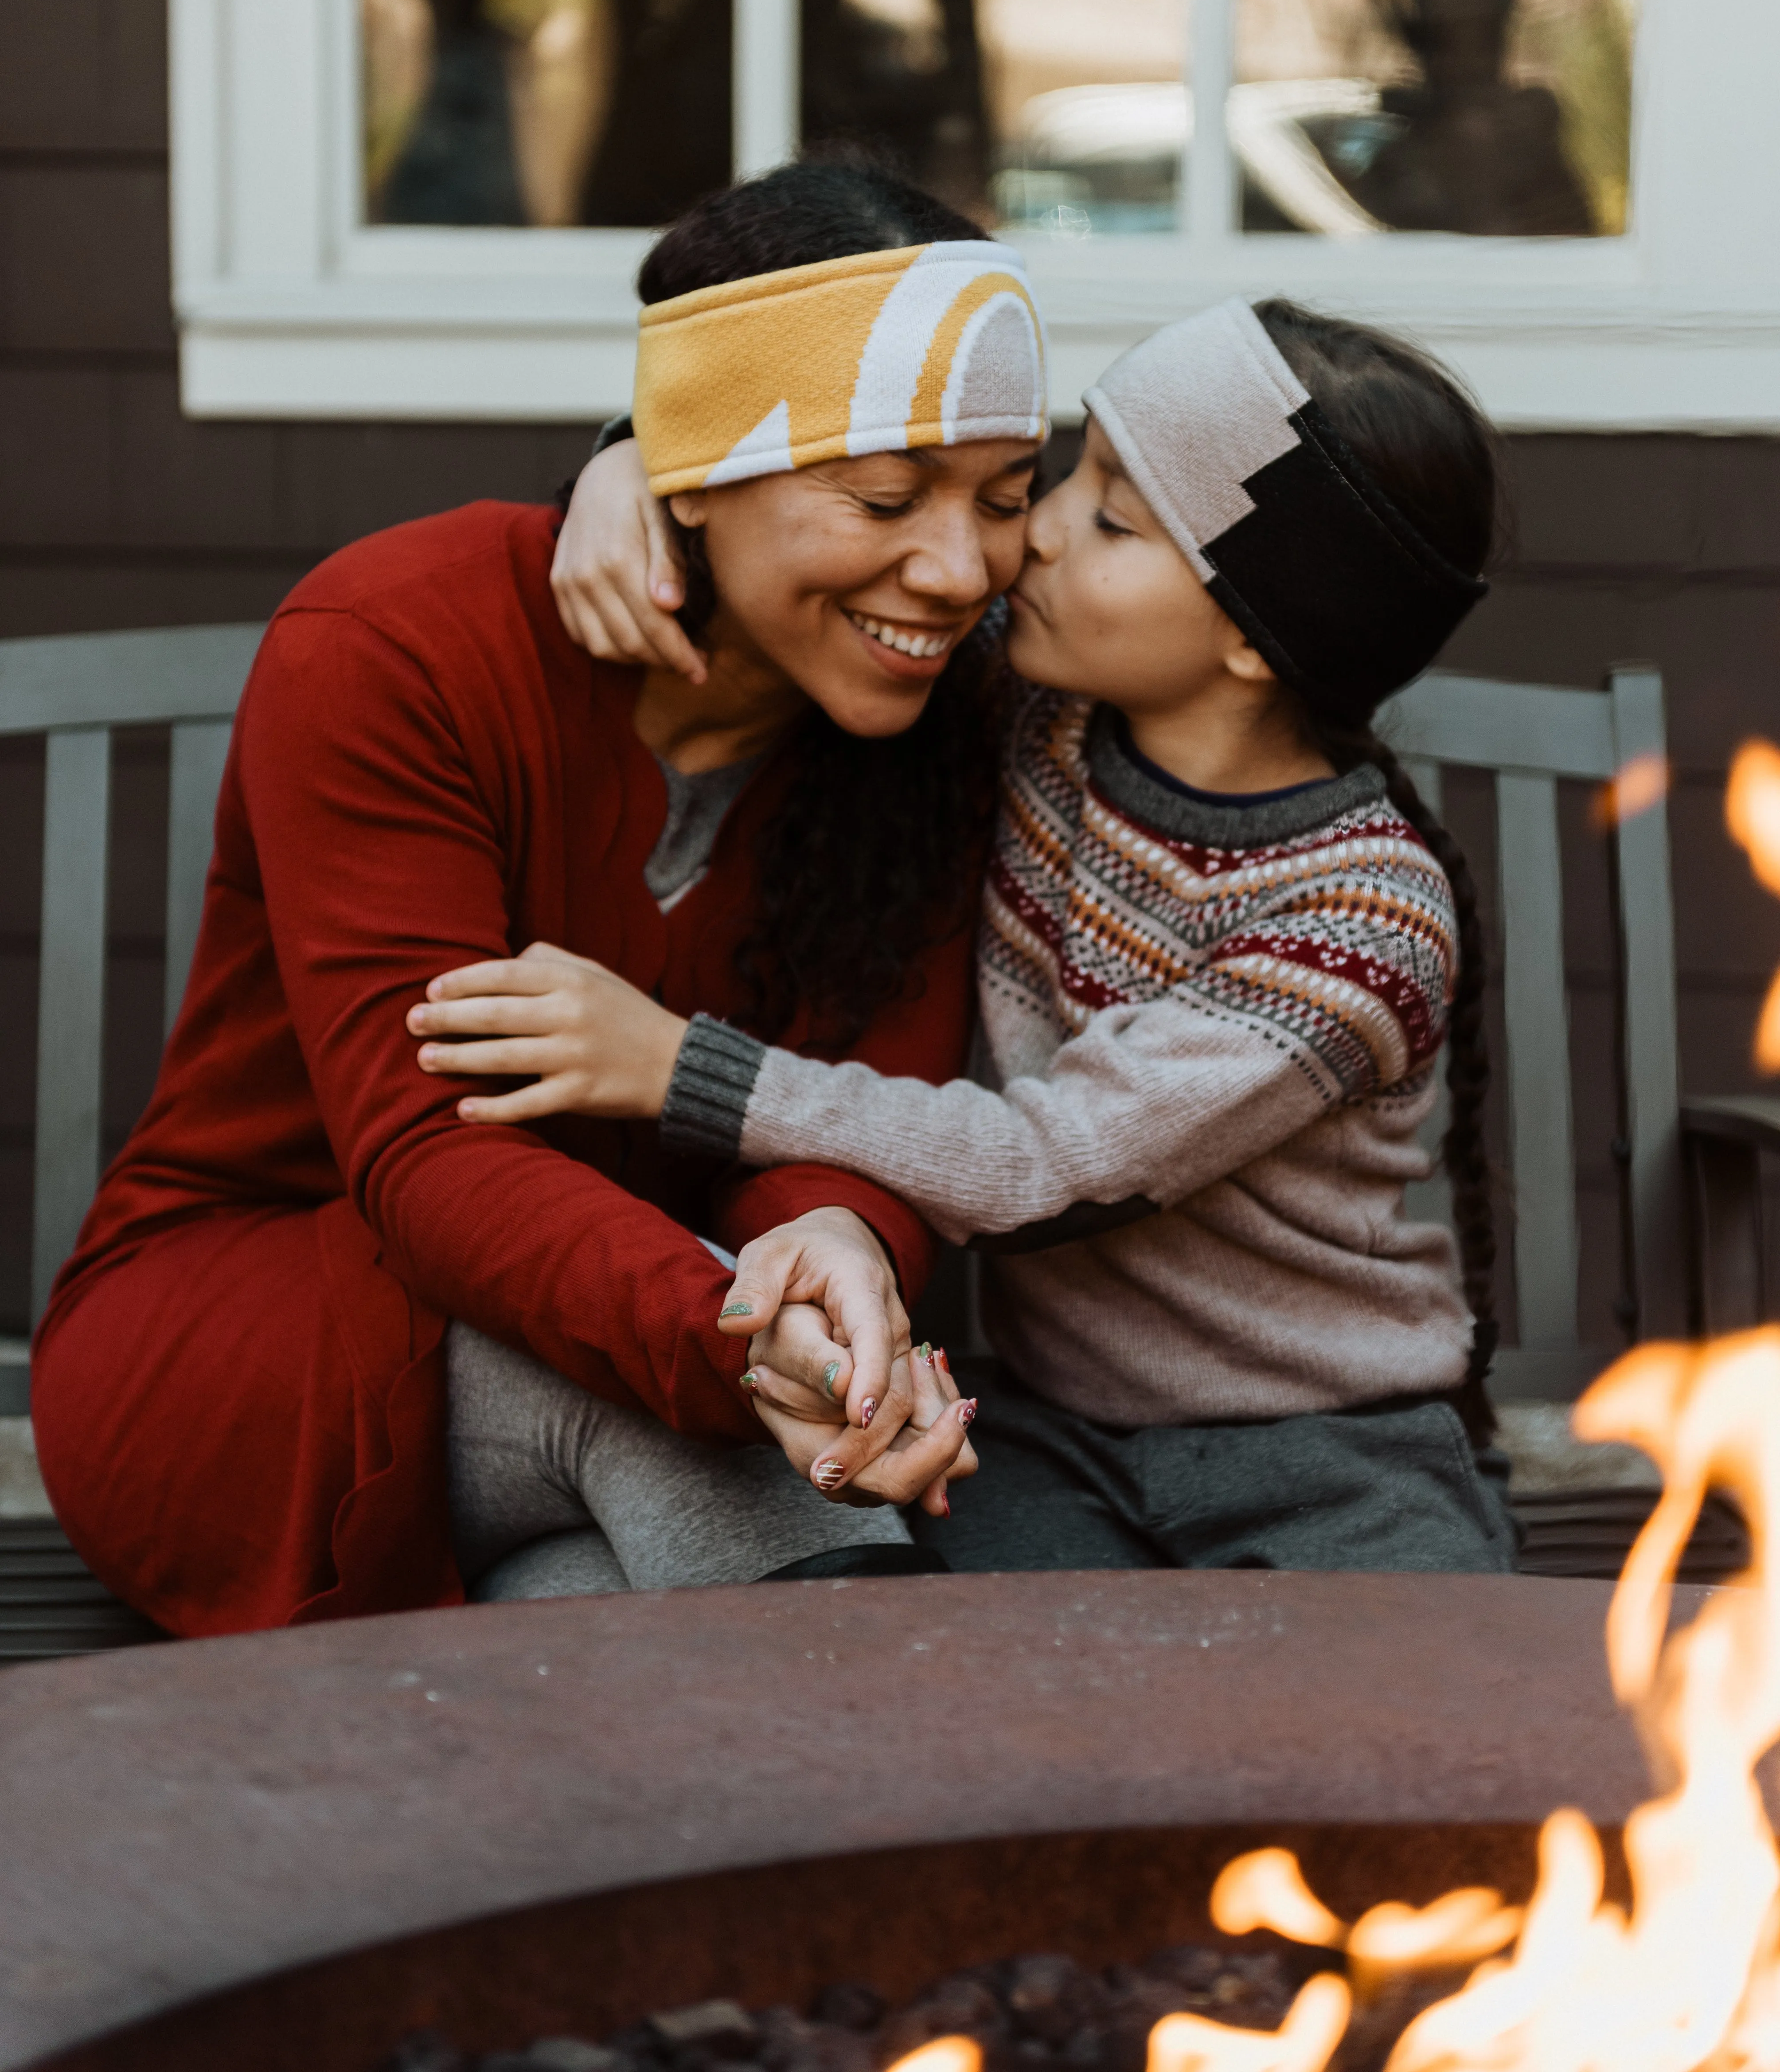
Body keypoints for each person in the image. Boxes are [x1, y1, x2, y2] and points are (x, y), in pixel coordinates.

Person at [31, 157, 1045, 1634]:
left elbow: (861, 1102)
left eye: (1006, 498)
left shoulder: (940, 724)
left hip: (627, 1362)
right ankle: (918, 1799)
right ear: (697, 465)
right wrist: (738, 1328)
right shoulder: (397, 643)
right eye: (887, 494)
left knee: (594, 1637)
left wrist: (832, 1241)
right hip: (258, 1344)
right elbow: (430, 1160)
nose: (960, 569)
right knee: (699, 1449)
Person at [416, 294, 1518, 1576]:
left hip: (1331, 1456)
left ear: (1254, 640)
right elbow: (794, 545)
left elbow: (1046, 1165)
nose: (1027, 539)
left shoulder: (1359, 919)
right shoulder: (1037, 713)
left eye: (1108, 516)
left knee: (1407, 1751)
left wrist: (683, 1068)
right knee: (978, 1710)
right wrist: (631, 467)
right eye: (1064, 471)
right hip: (1046, 1431)